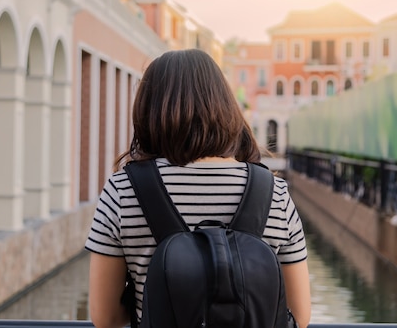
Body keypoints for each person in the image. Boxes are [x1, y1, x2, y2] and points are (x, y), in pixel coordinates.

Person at [85, 49, 311, 328]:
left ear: (148, 111)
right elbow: (299, 316)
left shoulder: (122, 190)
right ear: (225, 106)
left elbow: (105, 318)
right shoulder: (274, 192)